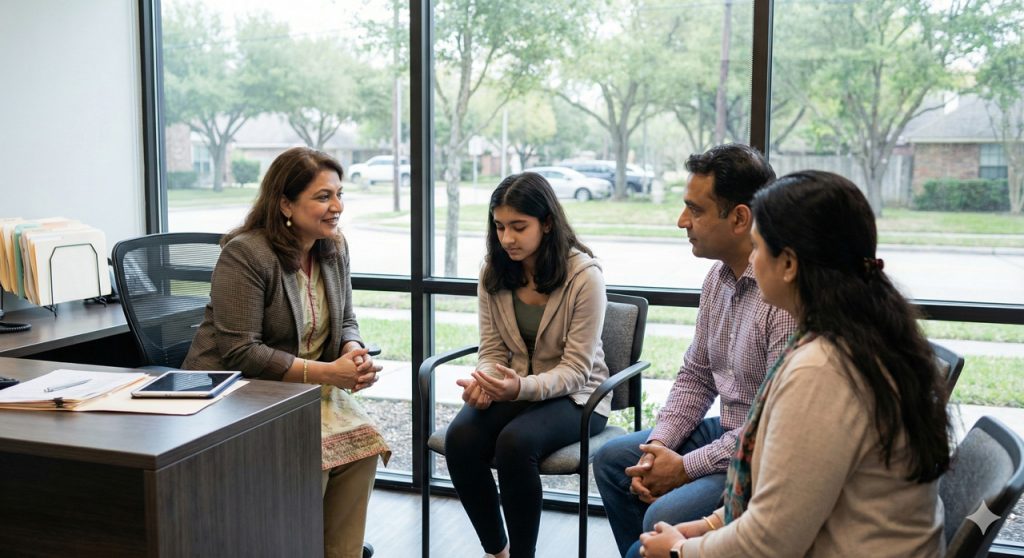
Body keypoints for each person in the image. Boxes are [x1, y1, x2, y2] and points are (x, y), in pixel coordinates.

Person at [637, 170, 951, 557]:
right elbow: (792, 495)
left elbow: (770, 542)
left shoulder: (823, 371)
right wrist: (711, 524)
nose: (751, 259)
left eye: (756, 247)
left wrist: (679, 552)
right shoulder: (857, 334)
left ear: (788, 264)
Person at [182, 147, 388, 558]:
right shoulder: (247, 253)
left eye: (339, 194)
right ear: (285, 204)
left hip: (305, 390)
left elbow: (346, 319)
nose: (337, 207)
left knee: (363, 447)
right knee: (314, 460)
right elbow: (242, 353)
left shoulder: (333, 247)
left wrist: (353, 352)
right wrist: (331, 373)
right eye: (323, 197)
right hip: (239, 393)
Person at [594, 144, 797, 557]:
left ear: (740, 218)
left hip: (758, 449)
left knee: (661, 514)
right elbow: (696, 376)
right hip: (727, 429)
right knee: (615, 461)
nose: (681, 221)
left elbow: (772, 431)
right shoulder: (716, 280)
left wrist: (684, 467)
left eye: (696, 210)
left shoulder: (784, 300)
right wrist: (660, 450)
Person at [445, 172, 610, 558]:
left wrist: (520, 388)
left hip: (579, 397)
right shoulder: (494, 272)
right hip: (516, 388)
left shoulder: (585, 276)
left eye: (519, 227)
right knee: (460, 439)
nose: (507, 238)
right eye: (500, 227)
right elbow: (492, 349)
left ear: (547, 222)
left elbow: (576, 370)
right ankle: (496, 551)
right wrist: (485, 381)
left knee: (516, 443)